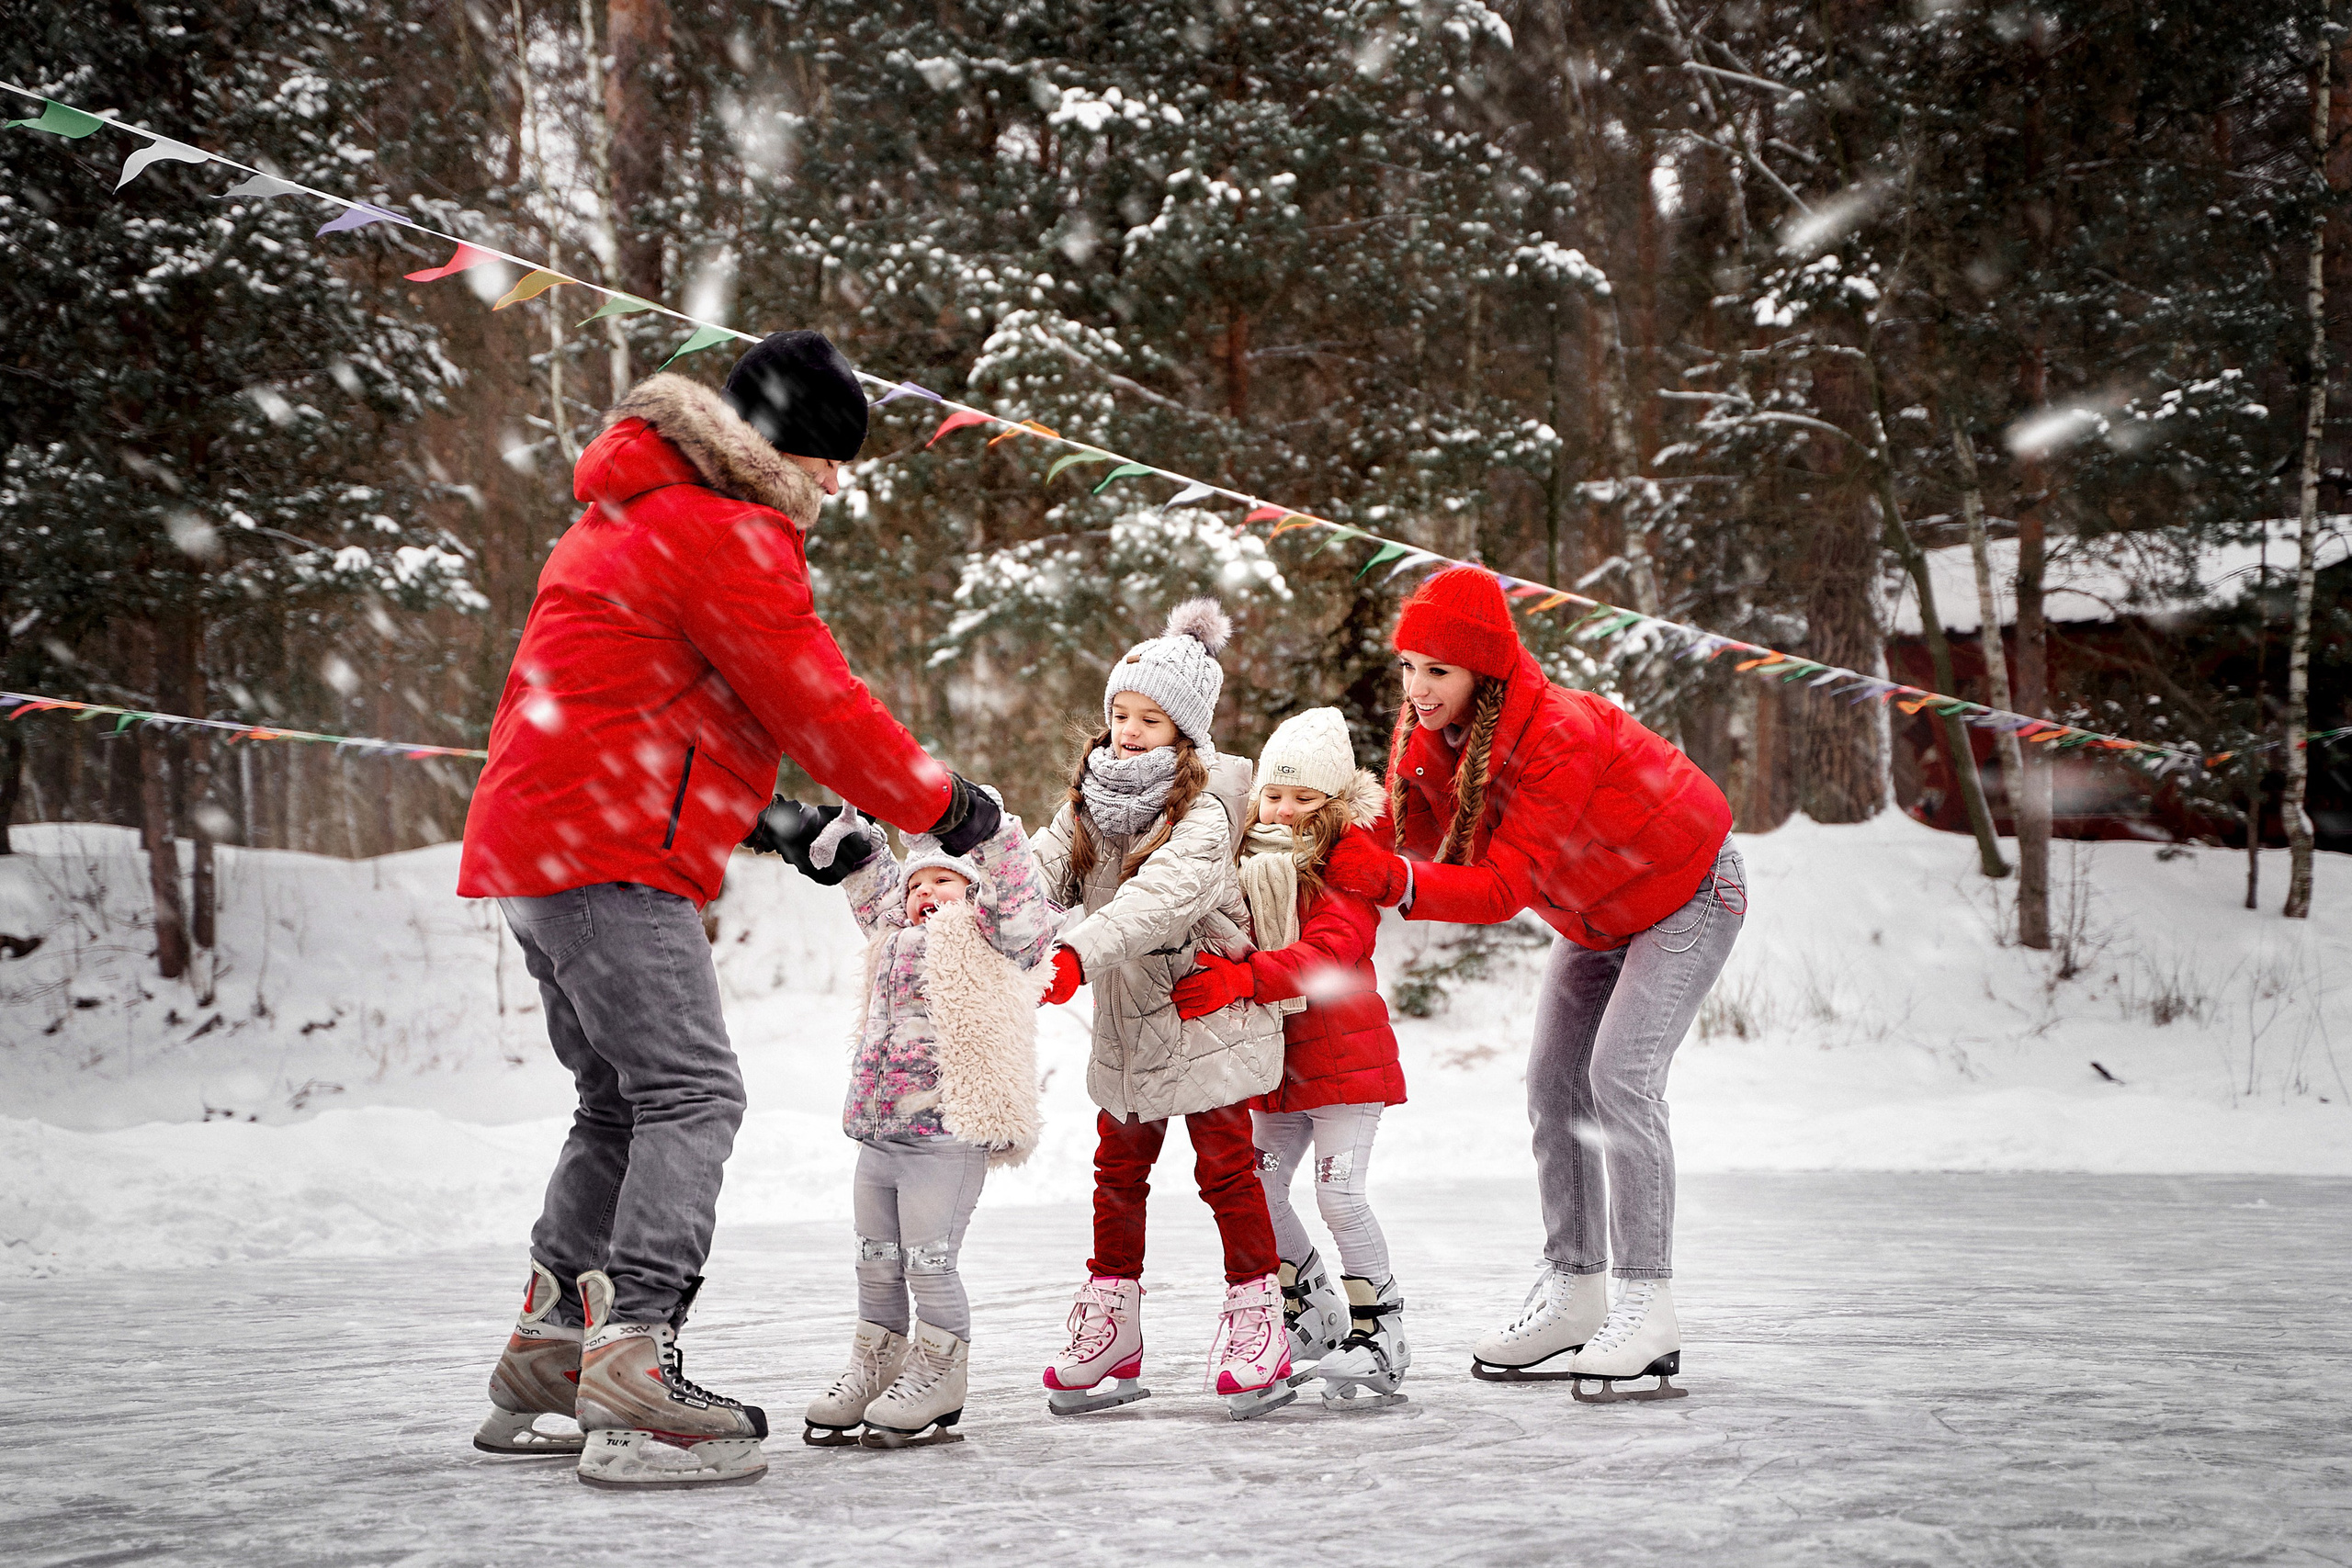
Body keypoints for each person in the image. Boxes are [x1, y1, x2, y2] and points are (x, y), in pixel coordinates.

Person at [457, 331, 1003, 1489]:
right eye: (829, 460)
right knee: (693, 1095)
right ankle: (634, 1366)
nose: (836, 486)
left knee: (618, 1103)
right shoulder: (728, 531)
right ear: (781, 447)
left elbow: (627, 699)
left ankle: (551, 1351)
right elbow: (820, 703)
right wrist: (943, 803)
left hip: (538, 844)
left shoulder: (626, 512)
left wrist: (767, 820)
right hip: (609, 855)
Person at [1324, 566, 1744, 1403]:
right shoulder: (1433, 728)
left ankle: (1647, 1301)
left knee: (1620, 1077)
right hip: (1597, 910)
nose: (1416, 688)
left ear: (1483, 669)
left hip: (1686, 887)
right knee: (1555, 1085)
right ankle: (1576, 1288)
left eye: (1437, 670)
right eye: (1407, 666)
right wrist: (1331, 836)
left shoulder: (1558, 733)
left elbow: (1501, 887)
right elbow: (1414, 832)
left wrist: (1392, 881)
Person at [1027, 600, 1295, 1421]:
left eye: (1151, 718)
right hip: (1130, 1025)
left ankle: (1259, 1315)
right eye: (1121, 714)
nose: (1130, 732)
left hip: (1204, 1016)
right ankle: (1113, 1321)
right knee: (1117, 1173)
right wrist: (981, 901)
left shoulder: (1207, 810)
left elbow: (1158, 900)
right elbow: (1037, 872)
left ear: (1185, 729)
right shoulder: (1090, 801)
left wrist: (1076, 954)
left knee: (1226, 1171)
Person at [768, 795, 1055, 1450]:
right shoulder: (894, 936)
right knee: (874, 1263)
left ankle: (939, 1376)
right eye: (917, 883)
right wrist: (859, 849)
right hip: (879, 1134)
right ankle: (874, 1366)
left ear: (974, 891)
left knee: (929, 1264)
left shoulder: (991, 938)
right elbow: (876, 889)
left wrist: (991, 834)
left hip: (946, 1136)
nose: (925, 891)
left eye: (943, 880)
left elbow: (1018, 898)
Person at [1171, 705, 1412, 1411]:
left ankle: (1382, 1327)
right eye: (1274, 794)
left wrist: (1242, 979)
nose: (1284, 809)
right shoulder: (1245, 864)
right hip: (1279, 1068)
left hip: (1344, 1067)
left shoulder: (1349, 869)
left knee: (1339, 1194)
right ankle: (1311, 1306)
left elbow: (1328, 953)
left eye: (1304, 797)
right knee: (1256, 1185)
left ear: (1333, 803)